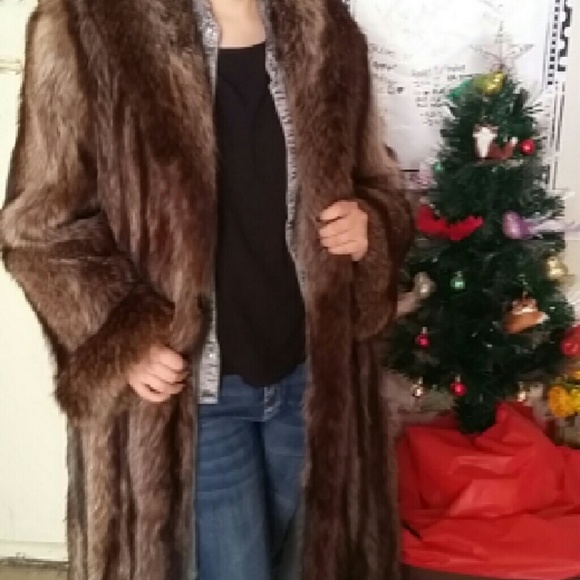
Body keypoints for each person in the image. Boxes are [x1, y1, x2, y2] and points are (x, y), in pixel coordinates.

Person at [0, 0, 413, 578]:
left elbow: (378, 179)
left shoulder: (323, 24)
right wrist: (117, 332)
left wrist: (371, 221)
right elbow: (37, 227)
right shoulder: (86, 24)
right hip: (191, 395)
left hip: (313, 379)